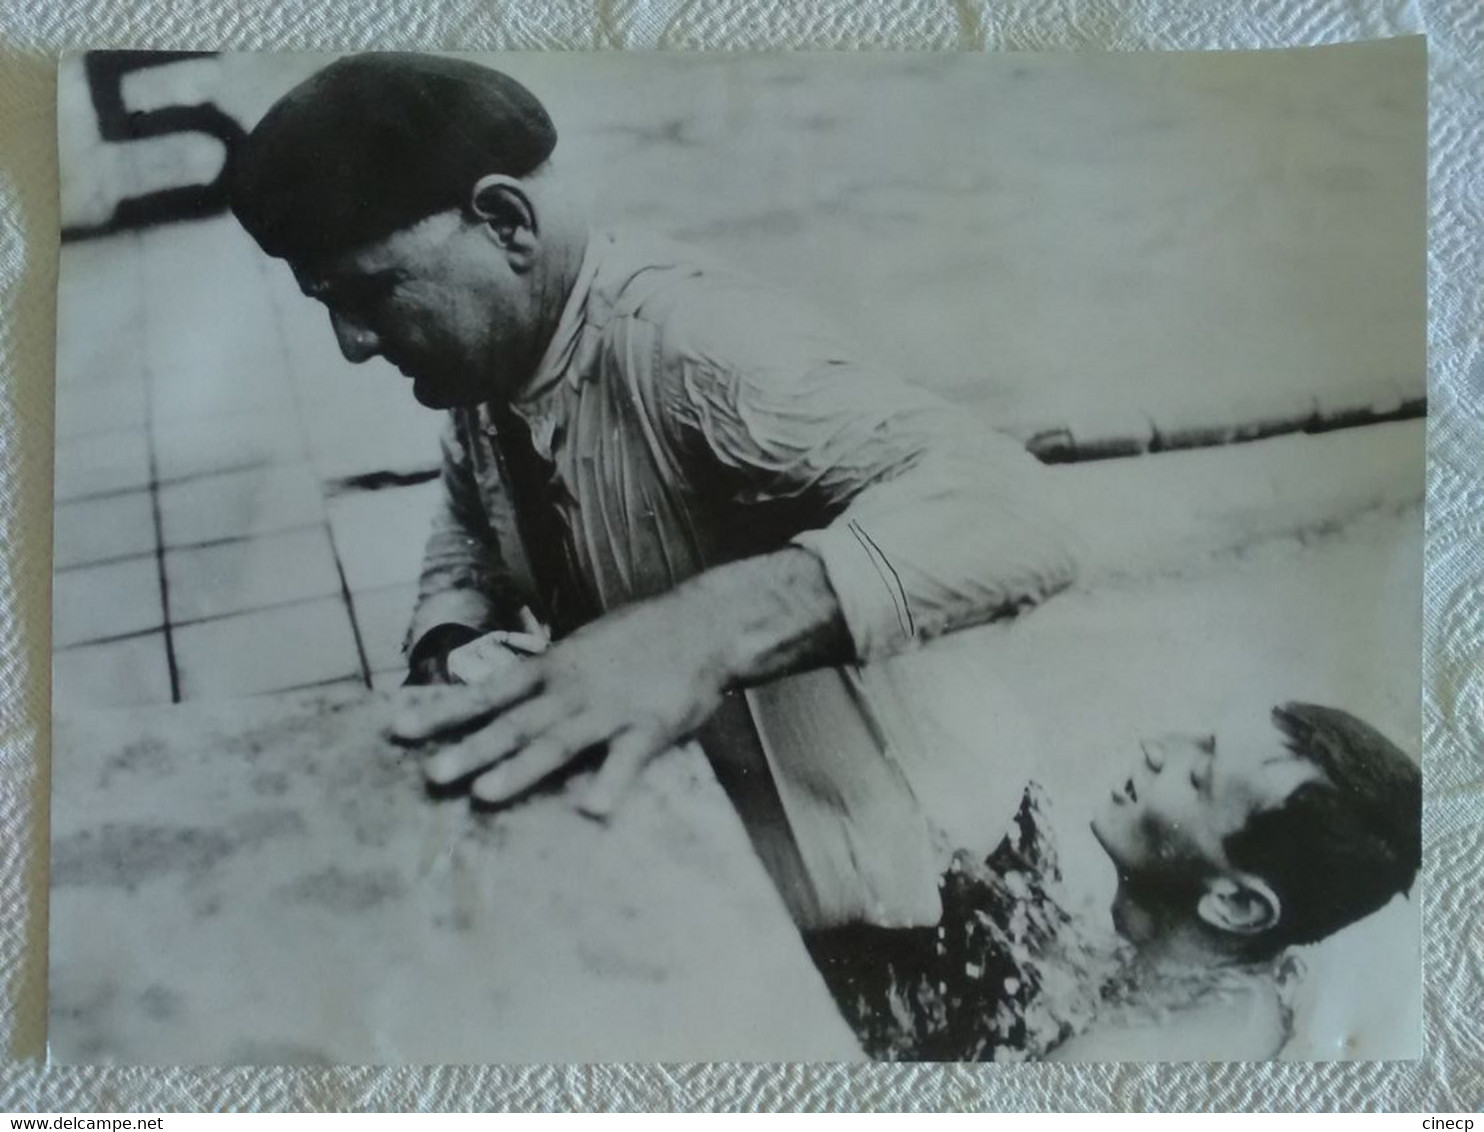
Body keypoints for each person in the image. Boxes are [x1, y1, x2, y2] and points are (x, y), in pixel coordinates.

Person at [228, 53, 1077, 929]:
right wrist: (452, 641)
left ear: (506, 221)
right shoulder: (495, 363)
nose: (351, 343)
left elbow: (1017, 511)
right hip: (741, 883)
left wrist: (695, 632)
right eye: (326, 305)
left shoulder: (693, 343)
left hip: (942, 890)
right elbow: (470, 519)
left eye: (370, 291)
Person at [806, 702, 1422, 1061]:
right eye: (1197, 739)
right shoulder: (1204, 961)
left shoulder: (1125, 1058)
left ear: (1234, 903)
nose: (1157, 747)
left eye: (1197, 776)